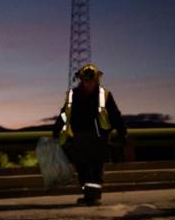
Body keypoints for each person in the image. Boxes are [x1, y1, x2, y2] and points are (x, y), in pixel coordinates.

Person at [52, 63, 127, 206]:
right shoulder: (73, 95)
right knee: (82, 168)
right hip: (79, 137)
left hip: (99, 138)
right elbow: (64, 114)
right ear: (82, 80)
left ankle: (93, 197)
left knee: (96, 169)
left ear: (96, 80)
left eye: (91, 80)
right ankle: (88, 195)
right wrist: (56, 129)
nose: (89, 83)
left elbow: (115, 114)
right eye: (86, 80)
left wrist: (122, 132)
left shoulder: (104, 95)